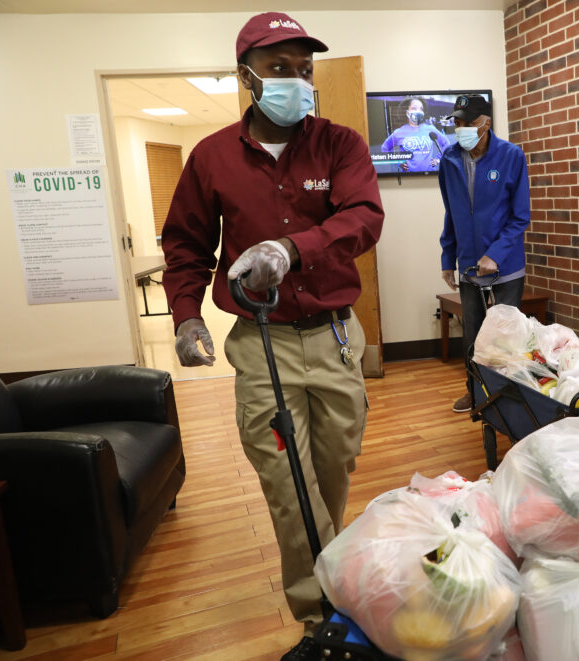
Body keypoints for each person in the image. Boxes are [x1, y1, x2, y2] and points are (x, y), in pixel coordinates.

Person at [160, 12, 383, 661]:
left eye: (304, 70)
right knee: (289, 485)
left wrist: (292, 247)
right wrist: (186, 315)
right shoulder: (211, 159)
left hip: (338, 337)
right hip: (264, 344)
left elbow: (365, 216)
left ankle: (331, 575)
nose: (296, 81)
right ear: (247, 77)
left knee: (331, 471)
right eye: (280, 69)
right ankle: (321, 617)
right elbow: (185, 247)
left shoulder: (339, 145)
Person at [438, 94, 531, 413]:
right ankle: (475, 393)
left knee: (504, 339)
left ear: (485, 123)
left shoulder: (511, 156)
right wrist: (446, 258)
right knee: (473, 338)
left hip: (506, 267)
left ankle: (506, 397)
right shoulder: (449, 160)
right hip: (468, 266)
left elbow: (520, 216)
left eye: (468, 122)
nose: (461, 128)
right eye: (457, 123)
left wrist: (496, 254)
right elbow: (451, 212)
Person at [381, 97, 452, 172]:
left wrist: (438, 159)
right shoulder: (399, 132)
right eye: (414, 108)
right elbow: (385, 148)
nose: (418, 111)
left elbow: (446, 143)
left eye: (421, 109)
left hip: (430, 175)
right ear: (407, 112)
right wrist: (399, 162)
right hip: (408, 177)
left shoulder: (430, 129)